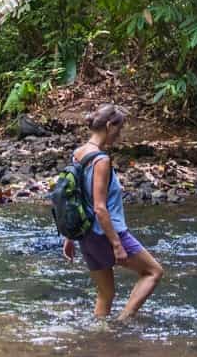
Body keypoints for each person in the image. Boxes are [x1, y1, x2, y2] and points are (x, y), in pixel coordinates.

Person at [62, 104, 164, 319]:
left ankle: (103, 337)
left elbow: (73, 199)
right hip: (107, 233)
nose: (119, 135)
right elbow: (100, 207)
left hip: (86, 234)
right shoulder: (101, 160)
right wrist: (117, 245)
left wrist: (70, 237)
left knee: (105, 295)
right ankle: (122, 322)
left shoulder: (77, 154)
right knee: (153, 272)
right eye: (119, 129)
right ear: (109, 125)